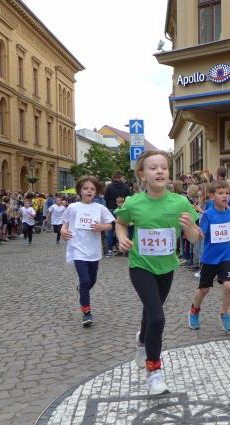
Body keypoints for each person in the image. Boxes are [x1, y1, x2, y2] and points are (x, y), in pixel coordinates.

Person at [115, 150, 201, 395]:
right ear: (142, 175)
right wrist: (122, 239)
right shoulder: (133, 203)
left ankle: (142, 340)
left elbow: (194, 237)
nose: (160, 171)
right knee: (157, 317)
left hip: (166, 267)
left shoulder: (180, 202)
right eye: (153, 168)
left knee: (150, 311)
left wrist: (190, 227)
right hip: (140, 266)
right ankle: (154, 373)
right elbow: (120, 223)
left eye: (163, 167)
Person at [60, 176, 115, 327]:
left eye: (92, 189)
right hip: (77, 248)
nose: (89, 191)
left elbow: (110, 224)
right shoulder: (73, 207)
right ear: (80, 191)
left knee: (92, 280)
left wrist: (102, 227)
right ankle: (86, 312)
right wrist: (63, 231)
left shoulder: (100, 208)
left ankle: (82, 290)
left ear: (96, 192)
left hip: (93, 250)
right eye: (85, 188)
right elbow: (65, 224)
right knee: (84, 280)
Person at [188, 180, 230, 332]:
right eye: (220, 193)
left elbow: (229, 228)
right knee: (204, 289)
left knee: (229, 286)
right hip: (210, 259)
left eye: (227, 193)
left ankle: (224, 313)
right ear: (212, 196)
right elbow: (202, 233)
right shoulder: (208, 215)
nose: (225, 196)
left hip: (225, 257)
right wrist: (198, 232)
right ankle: (194, 310)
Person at [104, 171, 132, 255]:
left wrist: (110, 205)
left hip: (111, 209)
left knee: (110, 230)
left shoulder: (109, 186)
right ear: (121, 177)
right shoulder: (125, 186)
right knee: (122, 228)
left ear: (113, 177)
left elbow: (106, 197)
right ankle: (121, 248)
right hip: (122, 209)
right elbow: (129, 197)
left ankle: (109, 249)